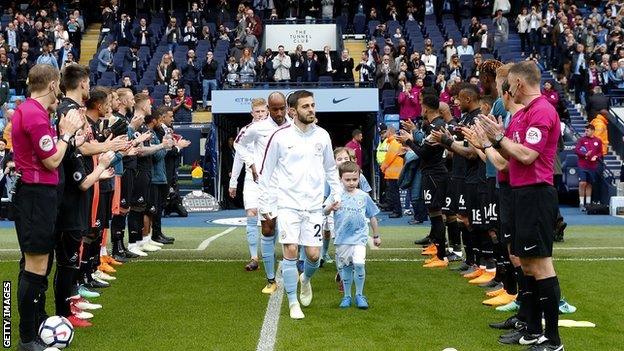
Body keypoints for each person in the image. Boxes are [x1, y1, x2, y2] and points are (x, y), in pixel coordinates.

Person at [478, 61, 564, 350]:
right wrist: (492, 141)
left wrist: (497, 139)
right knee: (527, 263)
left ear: (519, 84)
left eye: (510, 83)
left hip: (536, 194)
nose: (507, 89)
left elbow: (527, 156)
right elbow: (508, 159)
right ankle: (534, 330)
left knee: (540, 264)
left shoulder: (541, 110)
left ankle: (553, 340)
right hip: (522, 193)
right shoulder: (527, 113)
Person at [12, 64, 83, 351]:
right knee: (35, 266)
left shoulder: (32, 111)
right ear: (53, 85)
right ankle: (26, 338)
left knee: (39, 264)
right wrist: (65, 135)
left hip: (39, 196)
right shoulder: (34, 114)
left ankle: (37, 323)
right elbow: (52, 160)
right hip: (36, 196)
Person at [258, 90, 342, 320]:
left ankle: (305, 279)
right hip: (287, 205)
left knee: (314, 255)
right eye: (306, 106)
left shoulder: (322, 136)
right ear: (293, 111)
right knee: (291, 250)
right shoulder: (280, 137)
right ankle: (293, 303)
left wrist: (336, 192)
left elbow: (330, 169)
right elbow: (266, 172)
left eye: (313, 105)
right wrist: (265, 203)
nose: (311, 110)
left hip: (314, 206)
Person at [234, 92, 290, 293]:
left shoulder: (293, 126)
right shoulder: (257, 128)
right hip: (266, 187)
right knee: (268, 229)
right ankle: (270, 278)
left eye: (281, 108)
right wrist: (251, 163)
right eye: (274, 108)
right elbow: (238, 143)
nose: (279, 112)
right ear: (269, 108)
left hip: (289, 187)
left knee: (291, 232)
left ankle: (297, 270)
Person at [397, 93, 449, 267]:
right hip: (432, 173)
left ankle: (441, 256)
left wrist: (409, 142)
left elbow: (423, 152)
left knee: (436, 213)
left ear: (426, 107)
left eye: (421, 105)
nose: (420, 108)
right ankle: (438, 251)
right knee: (434, 213)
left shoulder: (437, 126)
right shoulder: (434, 124)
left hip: (435, 174)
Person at [324, 161, 380, 309]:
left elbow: (372, 215)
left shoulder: (363, 196)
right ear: (340, 179)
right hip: (342, 238)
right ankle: (347, 296)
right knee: (346, 267)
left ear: (359, 178)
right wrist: (330, 207)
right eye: (347, 180)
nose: (351, 182)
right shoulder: (336, 195)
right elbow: (324, 211)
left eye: (354, 179)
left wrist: (376, 235)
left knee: (360, 264)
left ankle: (360, 295)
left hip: (359, 237)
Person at [228, 98, 268, 271]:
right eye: (256, 112)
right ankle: (254, 258)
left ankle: (272, 254)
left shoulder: (275, 129)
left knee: (271, 218)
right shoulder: (245, 131)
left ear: (267, 111)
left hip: (271, 181)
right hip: (251, 180)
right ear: (252, 113)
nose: (260, 114)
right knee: (251, 214)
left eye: (262, 111)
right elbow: (239, 157)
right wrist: (233, 182)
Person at [575, 124, 603, 210]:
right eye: (585, 130)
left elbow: (600, 152)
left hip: (592, 165)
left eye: (587, 130)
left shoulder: (598, 141)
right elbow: (576, 150)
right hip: (582, 164)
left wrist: (596, 157)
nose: (585, 132)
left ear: (593, 131)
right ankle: (581, 203)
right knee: (582, 183)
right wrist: (585, 154)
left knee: (589, 184)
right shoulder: (581, 140)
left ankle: (587, 203)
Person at [381, 126, 404, 218]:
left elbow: (389, 158)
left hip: (394, 173)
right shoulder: (393, 142)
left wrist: (383, 167)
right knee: (393, 192)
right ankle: (396, 210)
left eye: (385, 132)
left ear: (389, 132)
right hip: (393, 172)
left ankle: (397, 211)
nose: (383, 134)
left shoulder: (394, 143)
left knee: (394, 193)